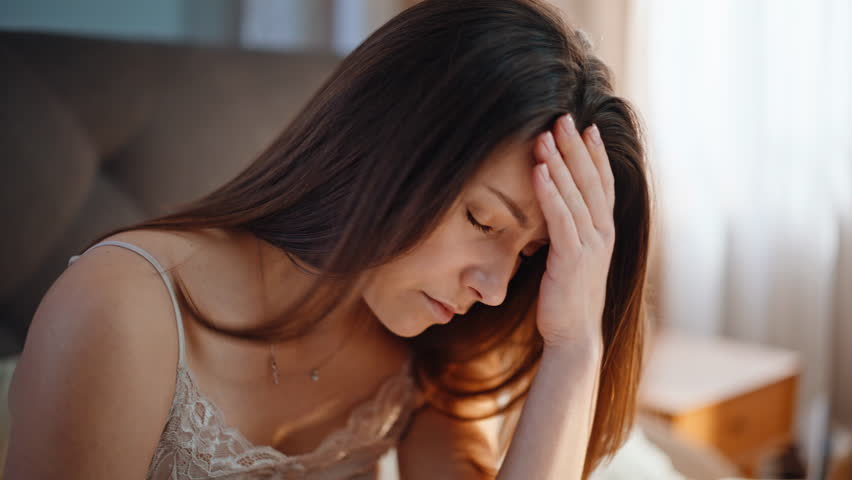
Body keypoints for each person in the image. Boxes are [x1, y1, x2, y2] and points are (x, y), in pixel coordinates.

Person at [4, 0, 652, 478]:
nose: (494, 289)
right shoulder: (122, 310)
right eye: (482, 221)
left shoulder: (431, 346)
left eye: (529, 253)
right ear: (387, 142)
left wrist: (576, 346)